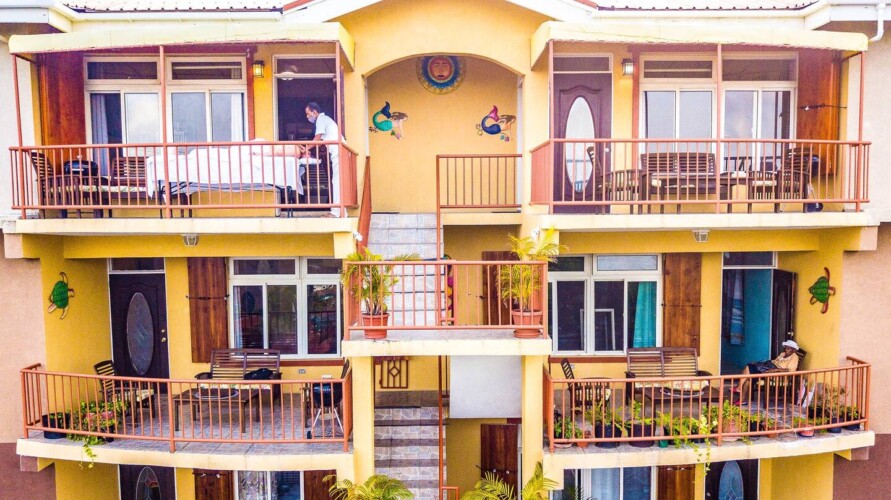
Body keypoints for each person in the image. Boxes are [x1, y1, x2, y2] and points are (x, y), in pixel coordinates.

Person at [303, 102, 342, 217]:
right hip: (339, 151)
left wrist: (305, 149)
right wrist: (308, 149)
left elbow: (317, 138)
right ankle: (340, 211)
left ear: (315, 112)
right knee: (338, 181)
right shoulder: (326, 120)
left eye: (308, 113)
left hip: (338, 152)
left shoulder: (321, 119)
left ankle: (336, 212)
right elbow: (320, 141)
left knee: (337, 182)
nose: (307, 117)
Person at [734, 340, 801, 403]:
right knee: (749, 373)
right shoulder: (782, 354)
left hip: (777, 375)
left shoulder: (794, 357)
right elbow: (774, 361)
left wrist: (776, 370)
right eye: (786, 348)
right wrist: (761, 363)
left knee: (749, 368)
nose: (786, 350)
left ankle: (739, 388)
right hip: (769, 369)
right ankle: (742, 399)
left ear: (794, 350)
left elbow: (791, 370)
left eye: (788, 348)